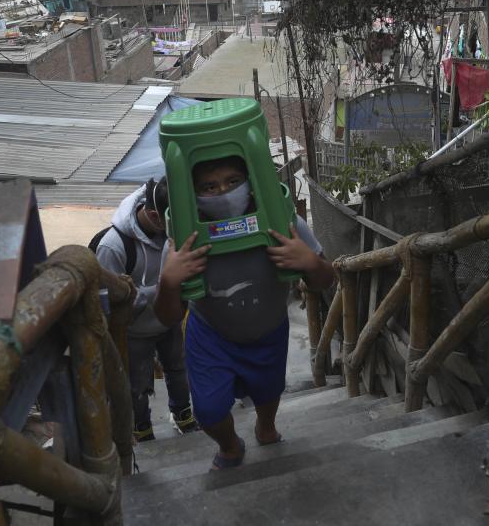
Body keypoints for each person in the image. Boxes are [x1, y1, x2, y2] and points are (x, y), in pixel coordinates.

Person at [154, 156, 334, 470]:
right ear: (192, 193)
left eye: (233, 181)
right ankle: (230, 445)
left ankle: (266, 427)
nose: (223, 192)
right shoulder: (183, 241)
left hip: (269, 331)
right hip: (211, 334)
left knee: (268, 389)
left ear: (250, 181)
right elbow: (168, 318)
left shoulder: (284, 224)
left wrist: (310, 263)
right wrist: (168, 282)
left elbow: (325, 280)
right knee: (208, 411)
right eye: (209, 187)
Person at [95, 177, 198, 442]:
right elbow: (106, 302)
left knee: (177, 368)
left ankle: (184, 416)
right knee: (135, 385)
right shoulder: (113, 247)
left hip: (169, 321)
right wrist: (164, 287)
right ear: (154, 215)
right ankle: (141, 429)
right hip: (133, 330)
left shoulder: (172, 229)